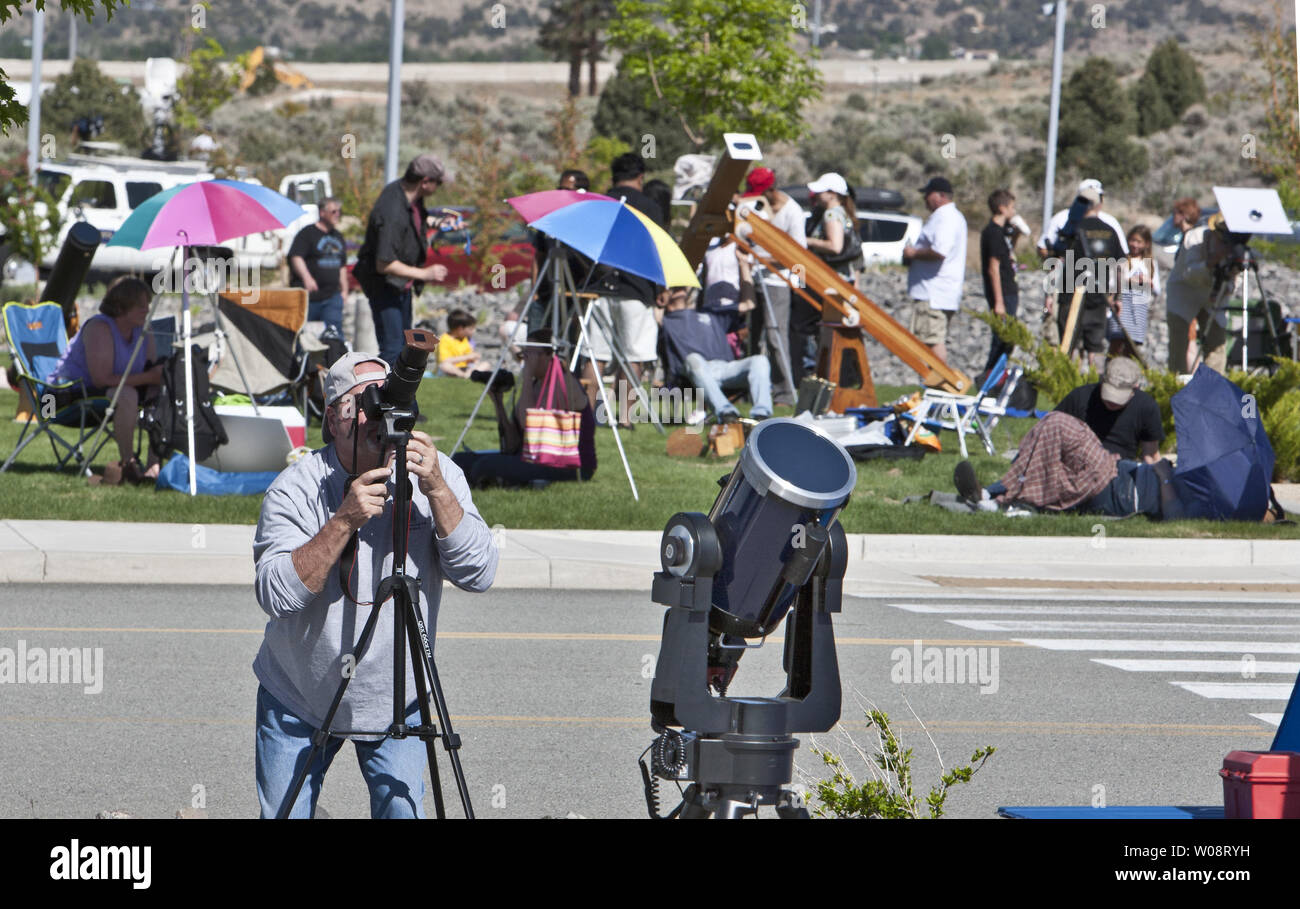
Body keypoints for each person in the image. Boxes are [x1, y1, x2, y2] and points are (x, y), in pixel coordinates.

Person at [252, 352, 497, 819]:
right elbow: (275, 594)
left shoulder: (436, 475)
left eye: (384, 400)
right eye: (361, 403)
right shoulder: (297, 487)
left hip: (393, 700)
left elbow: (480, 573)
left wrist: (439, 492)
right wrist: (343, 520)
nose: (375, 416)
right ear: (332, 417)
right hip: (299, 696)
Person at [50, 276, 163, 485]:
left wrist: (161, 376)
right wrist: (150, 376)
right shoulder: (99, 328)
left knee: (163, 392)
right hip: (63, 397)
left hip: (108, 392)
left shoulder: (144, 332)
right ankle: (128, 464)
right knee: (127, 394)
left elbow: (151, 372)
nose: (147, 309)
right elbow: (101, 379)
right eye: (140, 305)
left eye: (147, 303)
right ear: (121, 307)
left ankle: (154, 466)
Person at [953, 411, 1172, 519]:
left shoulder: (1195, 497)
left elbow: (1172, 508)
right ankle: (992, 495)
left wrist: (1163, 476)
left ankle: (999, 500)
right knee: (1050, 428)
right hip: (1114, 468)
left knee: (1057, 425)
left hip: (1116, 490)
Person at [452, 330, 597, 487]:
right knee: (459, 461)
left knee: (483, 466)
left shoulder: (564, 384)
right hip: (532, 457)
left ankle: (508, 481)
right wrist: (498, 403)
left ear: (549, 355)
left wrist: (527, 375)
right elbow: (513, 443)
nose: (526, 360)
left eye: (531, 355)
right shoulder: (536, 384)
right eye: (524, 355)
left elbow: (527, 424)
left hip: (569, 465)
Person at [352, 154, 454, 366]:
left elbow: (419, 218)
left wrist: (440, 223)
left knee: (404, 345)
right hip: (384, 284)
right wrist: (426, 274)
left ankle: (401, 397)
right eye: (438, 182)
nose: (439, 187)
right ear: (425, 182)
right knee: (392, 348)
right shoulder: (392, 211)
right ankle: (382, 395)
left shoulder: (409, 197)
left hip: (401, 286)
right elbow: (384, 263)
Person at [587, 153, 665, 404]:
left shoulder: (599, 202)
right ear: (640, 177)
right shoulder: (650, 207)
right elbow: (658, 249)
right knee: (634, 353)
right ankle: (625, 416)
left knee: (595, 354)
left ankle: (589, 414)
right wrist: (661, 286)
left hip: (598, 286)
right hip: (637, 287)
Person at [658, 255, 773, 423]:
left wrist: (744, 266)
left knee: (760, 360)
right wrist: (662, 296)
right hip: (694, 371)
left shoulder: (710, 313)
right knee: (694, 359)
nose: (678, 287)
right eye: (673, 286)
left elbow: (748, 305)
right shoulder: (666, 321)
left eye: (679, 285)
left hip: (726, 367)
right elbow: (654, 314)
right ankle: (726, 413)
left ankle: (761, 415)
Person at [738, 166, 805, 405]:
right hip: (755, 279)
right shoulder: (757, 208)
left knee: (776, 337)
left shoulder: (792, 213)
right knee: (753, 337)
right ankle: (753, 389)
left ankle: (784, 392)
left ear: (771, 191)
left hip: (777, 281)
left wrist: (761, 258)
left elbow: (798, 255)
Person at [1044, 186, 1126, 372]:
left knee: (1069, 344)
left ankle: (1066, 384)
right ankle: (1095, 385)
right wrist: (1118, 297)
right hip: (1098, 297)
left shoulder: (1072, 230)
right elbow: (1120, 267)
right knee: (1095, 347)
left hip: (1071, 295)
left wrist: (1049, 293)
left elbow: (1056, 263)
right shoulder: (1110, 231)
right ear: (1099, 205)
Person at [795, 172, 858, 382]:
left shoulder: (831, 215)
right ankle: (840, 376)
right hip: (842, 281)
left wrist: (807, 242)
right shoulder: (843, 213)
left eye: (821, 191)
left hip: (831, 281)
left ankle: (823, 374)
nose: (816, 194)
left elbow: (835, 246)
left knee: (821, 328)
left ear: (832, 194)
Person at [904, 176, 967, 364]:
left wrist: (913, 253)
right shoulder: (950, 217)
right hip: (938, 292)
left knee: (932, 342)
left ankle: (938, 385)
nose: (925, 199)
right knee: (930, 340)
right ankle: (935, 385)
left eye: (928, 195)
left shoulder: (945, 217)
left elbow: (940, 251)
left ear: (940, 196)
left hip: (933, 293)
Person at [1053, 357, 1165, 462]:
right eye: (1110, 394)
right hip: (1078, 464)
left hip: (1120, 471)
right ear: (1102, 380)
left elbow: (1150, 454)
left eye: (1118, 397)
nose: (1112, 402)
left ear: (1135, 388)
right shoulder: (1080, 397)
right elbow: (1052, 432)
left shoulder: (1146, 406)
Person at [1165, 198, 1228, 374]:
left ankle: (1214, 388)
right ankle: (1176, 385)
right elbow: (1189, 273)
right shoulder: (1194, 238)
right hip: (1183, 294)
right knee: (1179, 345)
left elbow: (1233, 277)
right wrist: (1210, 263)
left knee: (1217, 344)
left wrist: (1225, 289)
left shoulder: (1231, 246)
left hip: (1212, 297)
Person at [288, 196, 348, 336]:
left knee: (334, 335)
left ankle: (335, 357)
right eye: (334, 211)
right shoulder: (307, 233)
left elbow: (342, 266)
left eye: (339, 211)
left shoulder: (338, 236)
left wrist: (344, 290)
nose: (337, 214)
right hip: (309, 297)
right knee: (301, 336)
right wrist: (307, 278)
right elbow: (296, 257)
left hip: (332, 296)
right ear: (322, 213)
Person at [980, 188, 1020, 374]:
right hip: (1003, 292)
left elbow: (1008, 252)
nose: (1013, 211)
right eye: (1011, 207)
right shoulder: (993, 233)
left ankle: (998, 377)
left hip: (1009, 290)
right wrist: (999, 302)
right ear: (1002, 208)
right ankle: (989, 378)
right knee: (1001, 339)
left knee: (1008, 340)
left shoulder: (1002, 232)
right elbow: (993, 267)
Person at [1107, 225, 1160, 355]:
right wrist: (1131, 281)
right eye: (1132, 240)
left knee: (1132, 346)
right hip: (1122, 305)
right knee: (1116, 342)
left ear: (1146, 244)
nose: (1135, 245)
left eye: (1139, 242)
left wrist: (1146, 281)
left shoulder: (1149, 263)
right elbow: (1113, 282)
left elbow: (1156, 288)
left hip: (1139, 308)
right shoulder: (1122, 260)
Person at [436, 309, 488, 378]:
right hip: (451, 369)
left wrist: (474, 358)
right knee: (445, 365)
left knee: (486, 364)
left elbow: (470, 357)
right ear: (460, 329)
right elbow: (445, 360)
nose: (473, 331)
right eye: (471, 329)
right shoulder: (444, 339)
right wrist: (467, 357)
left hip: (465, 368)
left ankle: (468, 375)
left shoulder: (464, 339)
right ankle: (464, 376)